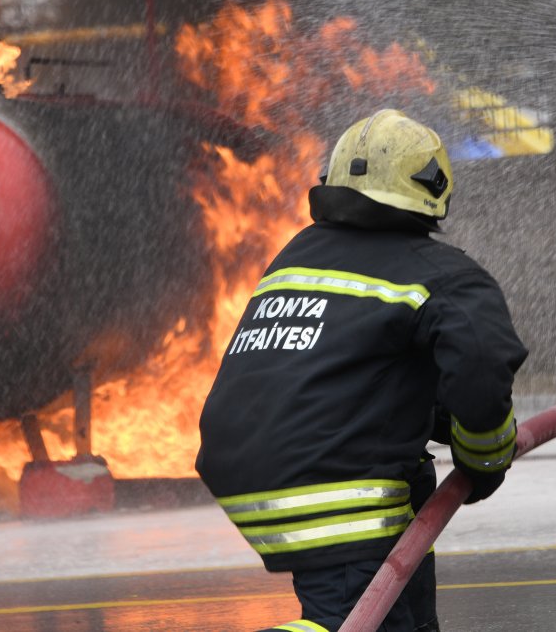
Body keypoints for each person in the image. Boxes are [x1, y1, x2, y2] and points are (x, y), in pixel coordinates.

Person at [195, 109, 527, 632]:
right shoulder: (443, 275)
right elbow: (482, 373)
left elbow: (360, 375)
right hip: (337, 490)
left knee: (396, 615)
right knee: (351, 623)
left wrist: (440, 420)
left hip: (251, 473)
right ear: (434, 187)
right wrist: (485, 458)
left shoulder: (296, 256)